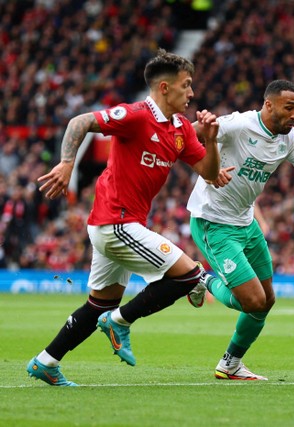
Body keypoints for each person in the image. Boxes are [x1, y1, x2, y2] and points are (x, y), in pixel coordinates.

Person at [26, 49, 221, 386]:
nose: (191, 93)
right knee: (191, 276)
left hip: (121, 224)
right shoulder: (134, 115)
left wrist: (213, 141)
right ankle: (120, 322)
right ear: (164, 87)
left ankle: (46, 361)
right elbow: (80, 122)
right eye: (186, 86)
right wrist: (67, 162)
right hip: (115, 222)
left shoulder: (182, 129)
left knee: (98, 305)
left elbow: (210, 172)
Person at [186, 79, 294, 380]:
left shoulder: (288, 138)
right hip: (214, 222)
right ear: (269, 104)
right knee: (253, 301)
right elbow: (185, 137)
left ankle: (230, 363)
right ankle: (198, 278)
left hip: (246, 223)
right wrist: (207, 166)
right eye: (289, 108)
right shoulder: (237, 124)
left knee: (266, 301)